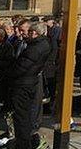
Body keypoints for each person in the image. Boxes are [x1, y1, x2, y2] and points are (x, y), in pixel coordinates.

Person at [8, 21, 51, 149]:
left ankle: (24, 143)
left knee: (23, 115)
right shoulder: (35, 44)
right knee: (24, 114)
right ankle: (24, 139)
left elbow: (23, 66)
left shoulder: (36, 47)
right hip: (28, 82)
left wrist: (10, 73)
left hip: (24, 83)